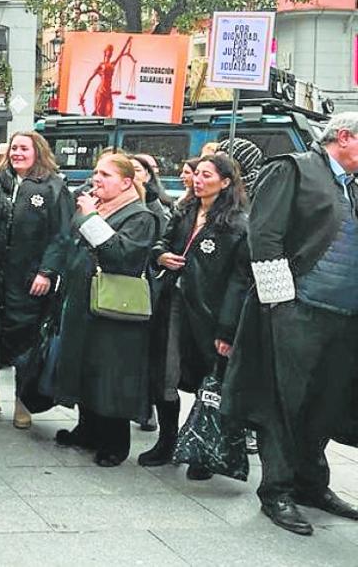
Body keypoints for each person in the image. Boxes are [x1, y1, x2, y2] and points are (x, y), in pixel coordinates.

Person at [223, 112, 358, 536]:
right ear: (344, 136)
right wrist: (279, 304)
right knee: (284, 402)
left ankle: (311, 484)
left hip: (344, 318)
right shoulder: (294, 169)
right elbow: (263, 237)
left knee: (326, 403)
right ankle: (277, 489)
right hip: (296, 312)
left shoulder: (352, 186)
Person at [140, 153, 249, 477]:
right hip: (172, 302)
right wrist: (161, 255)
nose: (198, 181)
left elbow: (239, 281)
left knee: (209, 380)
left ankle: (203, 450)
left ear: (226, 182)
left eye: (207, 176)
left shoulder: (238, 224)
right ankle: (168, 440)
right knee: (166, 371)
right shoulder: (185, 209)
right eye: (196, 174)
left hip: (210, 314)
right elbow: (160, 241)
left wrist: (228, 329)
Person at [53, 153, 157, 467]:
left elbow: (120, 255)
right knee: (86, 365)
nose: (97, 179)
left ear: (126, 182)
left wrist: (90, 219)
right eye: (97, 173)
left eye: (106, 175)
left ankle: (114, 442)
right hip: (84, 300)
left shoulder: (140, 216)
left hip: (115, 309)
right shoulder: (98, 207)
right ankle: (88, 430)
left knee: (110, 373)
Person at [0, 132, 74, 427]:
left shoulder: (54, 187)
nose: (17, 153)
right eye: (14, 148)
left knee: (24, 345)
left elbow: (62, 235)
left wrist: (46, 271)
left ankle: (22, 402)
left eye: (23, 148)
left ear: (37, 151)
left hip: (29, 281)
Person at [131, 154, 170, 236]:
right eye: (129, 170)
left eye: (137, 170)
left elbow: (164, 230)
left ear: (147, 175)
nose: (133, 174)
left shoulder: (154, 200)